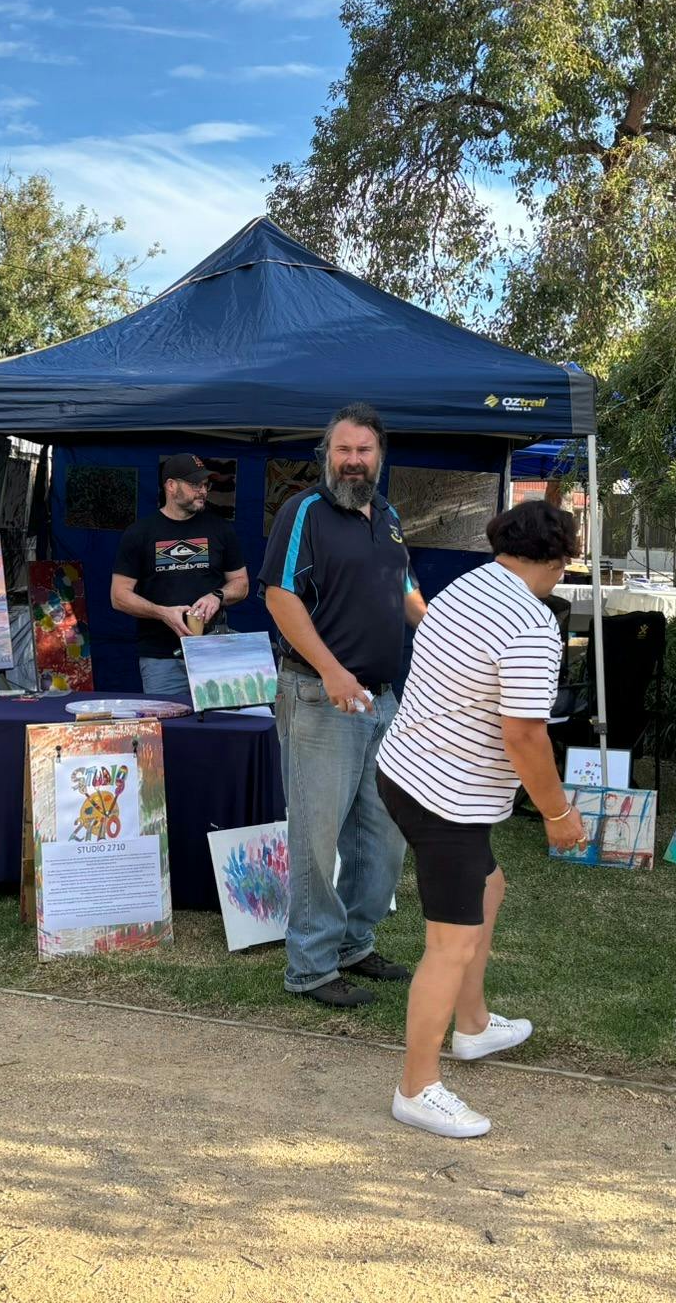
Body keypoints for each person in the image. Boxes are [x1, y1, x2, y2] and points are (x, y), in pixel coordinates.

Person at [375, 499, 584, 1137]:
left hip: (409, 770)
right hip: (446, 796)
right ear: (556, 559)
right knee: (451, 943)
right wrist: (558, 812)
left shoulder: (470, 584)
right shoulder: (532, 622)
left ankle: (471, 1026)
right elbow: (524, 735)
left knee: (488, 886)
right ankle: (417, 1086)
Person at [262, 402, 426, 1007]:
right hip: (319, 697)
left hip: (385, 702)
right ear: (326, 456)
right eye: (343, 450)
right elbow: (280, 597)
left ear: (380, 457)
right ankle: (309, 966)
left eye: (364, 451)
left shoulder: (387, 515)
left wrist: (443, 636)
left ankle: (355, 942)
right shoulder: (303, 511)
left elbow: (404, 587)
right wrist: (331, 670)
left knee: (381, 836)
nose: (354, 461)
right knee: (318, 838)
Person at [110, 453, 249, 697]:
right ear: (171, 486)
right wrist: (162, 613)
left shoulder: (221, 529)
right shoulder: (140, 533)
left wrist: (217, 595)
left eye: (206, 485)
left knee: (224, 728)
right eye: (195, 485)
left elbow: (241, 584)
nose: (203, 491)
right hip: (161, 659)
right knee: (171, 730)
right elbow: (119, 596)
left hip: (214, 654)